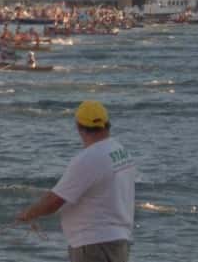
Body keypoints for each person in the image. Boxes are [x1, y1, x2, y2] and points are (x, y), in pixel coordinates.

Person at [16, 100, 135, 262]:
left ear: (79, 128)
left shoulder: (89, 158)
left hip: (93, 245)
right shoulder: (120, 150)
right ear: (107, 124)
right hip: (119, 241)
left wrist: (29, 213)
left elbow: (55, 200)